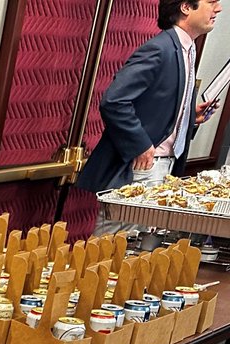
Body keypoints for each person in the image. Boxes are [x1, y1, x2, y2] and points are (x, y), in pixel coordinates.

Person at [79, 0, 221, 235]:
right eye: (211, 2)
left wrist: (186, 116)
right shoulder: (160, 48)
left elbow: (158, 100)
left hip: (165, 166)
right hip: (142, 166)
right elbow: (114, 101)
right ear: (186, 7)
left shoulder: (187, 48)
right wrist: (141, 145)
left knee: (139, 255)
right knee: (112, 250)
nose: (218, 9)